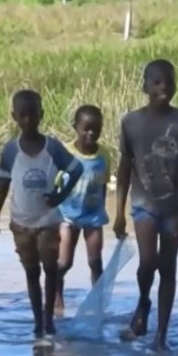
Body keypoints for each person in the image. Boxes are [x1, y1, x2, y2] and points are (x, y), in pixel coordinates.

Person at [113, 59, 178, 351]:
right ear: (145, 87)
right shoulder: (131, 122)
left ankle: (160, 336)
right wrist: (118, 214)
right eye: (156, 82)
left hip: (175, 207)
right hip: (144, 205)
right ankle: (143, 303)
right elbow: (125, 168)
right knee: (147, 262)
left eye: (169, 81)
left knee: (168, 269)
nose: (163, 86)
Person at [0, 89, 83, 337]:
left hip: (48, 222)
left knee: (50, 270)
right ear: (14, 117)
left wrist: (60, 196)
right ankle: (38, 321)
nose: (28, 120)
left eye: (32, 115)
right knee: (31, 272)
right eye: (22, 115)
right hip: (21, 223)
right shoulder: (11, 150)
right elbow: (4, 184)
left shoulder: (52, 147)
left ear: (41, 114)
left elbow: (76, 169)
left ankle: (48, 318)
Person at [56, 104, 115, 312]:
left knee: (95, 262)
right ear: (75, 127)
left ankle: (97, 304)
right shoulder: (64, 153)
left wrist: (102, 211)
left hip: (93, 216)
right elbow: (55, 185)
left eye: (96, 129)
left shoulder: (104, 156)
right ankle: (57, 301)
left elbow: (103, 186)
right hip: (66, 216)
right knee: (63, 263)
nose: (91, 133)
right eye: (86, 128)